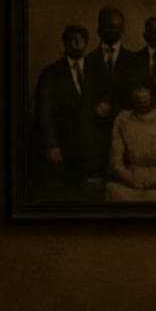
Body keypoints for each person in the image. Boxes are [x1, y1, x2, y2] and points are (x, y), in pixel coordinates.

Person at [81, 5, 144, 178]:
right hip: (95, 134)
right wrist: (95, 108)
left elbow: (137, 97)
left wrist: (114, 109)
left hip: (126, 132)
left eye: (115, 26)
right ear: (98, 29)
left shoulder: (134, 61)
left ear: (122, 29)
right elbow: (82, 97)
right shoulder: (86, 61)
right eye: (107, 26)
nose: (111, 30)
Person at [32, 24, 90, 202]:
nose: (76, 43)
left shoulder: (95, 69)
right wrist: (51, 145)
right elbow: (44, 112)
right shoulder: (51, 73)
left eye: (80, 40)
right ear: (64, 43)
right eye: (72, 39)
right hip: (63, 144)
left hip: (89, 145)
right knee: (65, 195)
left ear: (86, 43)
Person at [105, 85, 156, 201]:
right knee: (113, 190)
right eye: (138, 93)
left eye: (145, 95)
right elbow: (115, 160)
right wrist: (130, 179)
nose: (142, 98)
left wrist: (154, 181)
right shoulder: (122, 120)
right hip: (131, 178)